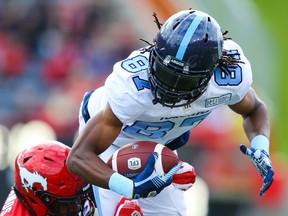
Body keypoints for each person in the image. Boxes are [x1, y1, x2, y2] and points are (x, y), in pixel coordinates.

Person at [66, 9, 274, 216]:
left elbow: (255, 109)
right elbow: (80, 156)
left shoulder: (227, 81)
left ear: (209, 74)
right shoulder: (132, 89)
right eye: (165, 73)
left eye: (183, 80)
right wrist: (131, 187)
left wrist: (261, 147)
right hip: (114, 140)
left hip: (158, 143)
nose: (170, 87)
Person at [0, 140, 96, 216]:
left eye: (79, 200)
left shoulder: (27, 193)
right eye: (68, 204)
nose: (77, 208)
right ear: (39, 201)